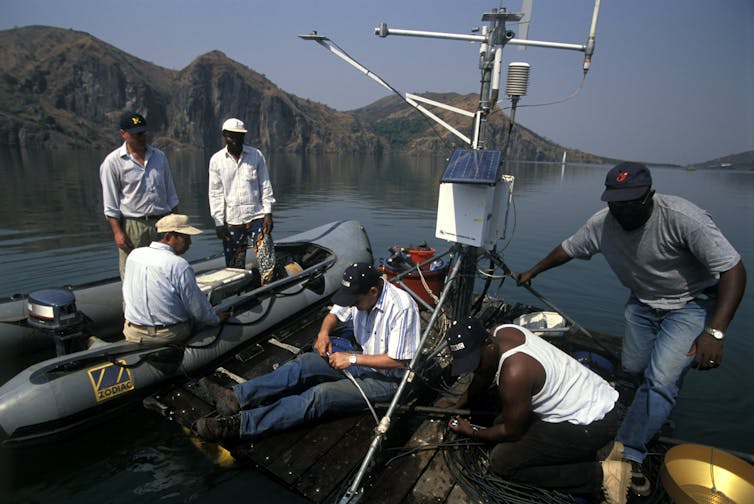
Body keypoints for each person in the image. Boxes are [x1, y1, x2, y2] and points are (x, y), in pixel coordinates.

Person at [516, 162, 747, 496]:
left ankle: (627, 452)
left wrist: (715, 332)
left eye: (630, 202)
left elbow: (733, 269)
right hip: (642, 303)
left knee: (661, 379)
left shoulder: (683, 217)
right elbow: (568, 248)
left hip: (691, 304)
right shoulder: (603, 224)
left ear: (648, 196)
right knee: (633, 370)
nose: (622, 210)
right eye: (615, 203)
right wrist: (533, 271)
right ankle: (653, 415)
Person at [193, 262, 422, 442]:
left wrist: (351, 358)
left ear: (373, 291)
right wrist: (324, 333)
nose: (351, 305)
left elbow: (400, 361)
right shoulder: (359, 295)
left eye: (355, 301)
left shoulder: (402, 307)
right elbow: (333, 315)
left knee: (320, 395)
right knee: (302, 364)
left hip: (389, 381)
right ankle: (237, 396)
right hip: (361, 362)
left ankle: (243, 425)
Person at [440, 317, 629, 504]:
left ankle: (601, 476)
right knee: (499, 419)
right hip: (600, 401)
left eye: (475, 362)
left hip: (593, 425)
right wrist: (458, 405)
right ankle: (606, 451)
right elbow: (484, 374)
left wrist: (471, 431)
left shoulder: (515, 372)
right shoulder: (503, 331)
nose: (474, 368)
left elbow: (511, 432)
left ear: (488, 343)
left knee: (503, 462)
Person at [122, 214, 225, 344]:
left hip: (132, 331)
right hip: (168, 335)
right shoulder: (178, 264)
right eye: (185, 237)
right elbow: (198, 309)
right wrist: (216, 319)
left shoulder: (134, 255)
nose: (190, 242)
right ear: (168, 236)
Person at [100, 111, 179, 278]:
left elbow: (170, 193)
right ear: (123, 134)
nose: (141, 138)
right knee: (133, 274)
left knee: (163, 272)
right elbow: (110, 204)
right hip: (133, 225)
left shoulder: (159, 157)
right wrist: (118, 232)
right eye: (136, 134)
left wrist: (176, 223)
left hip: (161, 221)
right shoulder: (113, 162)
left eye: (143, 133)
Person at [208, 118, 277, 282]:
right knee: (234, 266)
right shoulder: (216, 160)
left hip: (257, 217)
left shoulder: (256, 155)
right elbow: (215, 193)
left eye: (240, 136)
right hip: (232, 220)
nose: (237, 140)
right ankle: (238, 296)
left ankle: (269, 289)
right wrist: (219, 222)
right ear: (225, 136)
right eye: (232, 136)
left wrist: (268, 213)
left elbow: (265, 184)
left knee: (266, 260)